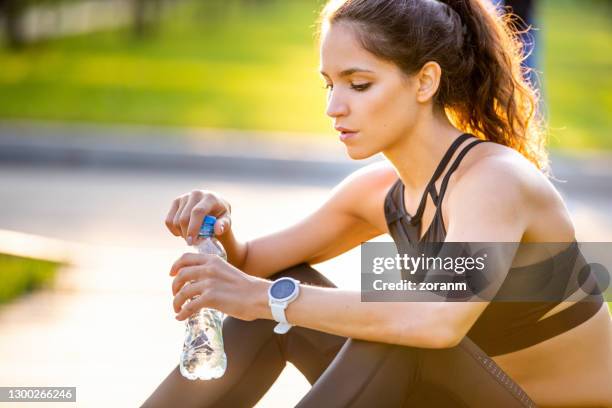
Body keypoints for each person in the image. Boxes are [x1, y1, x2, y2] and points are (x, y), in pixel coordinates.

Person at [142, 0, 612, 406]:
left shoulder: (494, 180)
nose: (334, 107)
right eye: (330, 84)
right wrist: (218, 227)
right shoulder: (377, 192)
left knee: (394, 323)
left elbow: (438, 322)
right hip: (452, 396)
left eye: (359, 84)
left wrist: (263, 298)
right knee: (292, 288)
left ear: (425, 81)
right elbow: (252, 269)